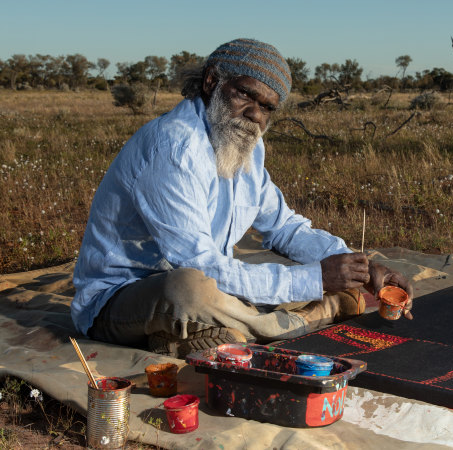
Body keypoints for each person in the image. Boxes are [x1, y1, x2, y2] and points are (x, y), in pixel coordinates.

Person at [71, 38, 413, 358]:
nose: (255, 115)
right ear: (211, 82)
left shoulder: (246, 143)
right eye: (245, 95)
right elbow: (199, 265)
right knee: (188, 289)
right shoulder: (175, 148)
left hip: (209, 287)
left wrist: (361, 267)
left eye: (267, 108)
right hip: (121, 298)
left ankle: (206, 334)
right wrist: (318, 280)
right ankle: (301, 320)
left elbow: (284, 228)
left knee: (259, 275)